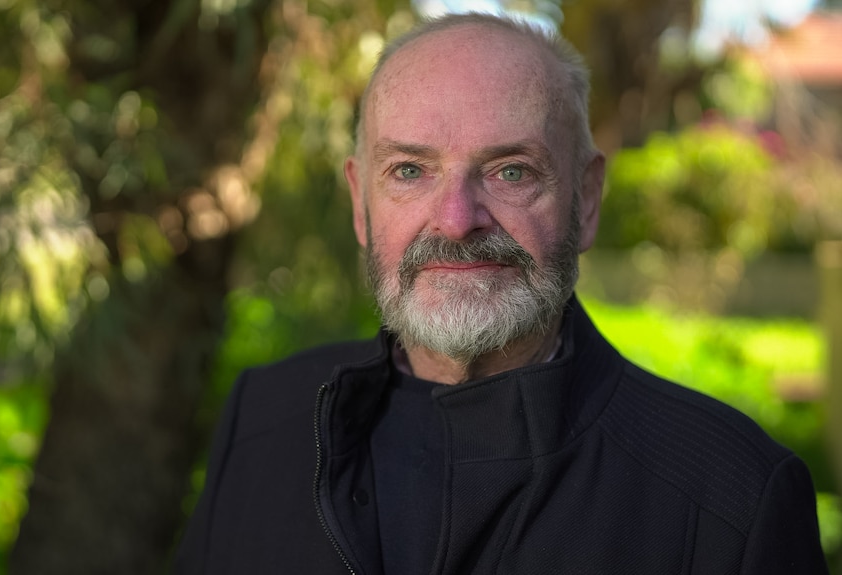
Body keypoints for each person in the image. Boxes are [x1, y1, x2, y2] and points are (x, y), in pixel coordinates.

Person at [175, 12, 828, 575]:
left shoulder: (735, 497)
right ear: (360, 203)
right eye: (409, 170)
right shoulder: (264, 418)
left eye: (511, 171)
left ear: (586, 199)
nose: (457, 220)